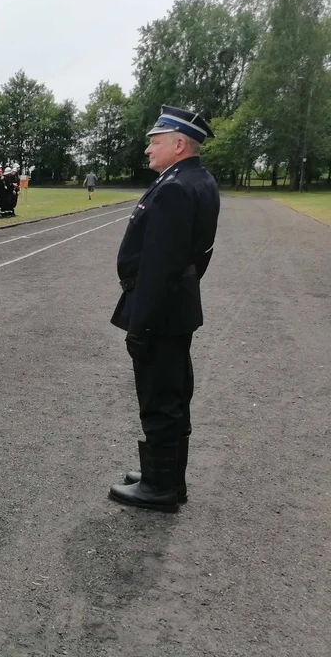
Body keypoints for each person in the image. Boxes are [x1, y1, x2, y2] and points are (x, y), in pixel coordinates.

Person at [108, 105, 221, 513]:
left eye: (154, 142)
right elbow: (197, 256)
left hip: (160, 306)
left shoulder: (175, 186)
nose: (147, 150)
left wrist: (142, 324)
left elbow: (161, 263)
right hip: (178, 302)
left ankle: (160, 487)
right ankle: (169, 478)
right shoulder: (197, 179)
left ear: (178, 144)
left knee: (159, 396)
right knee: (174, 392)